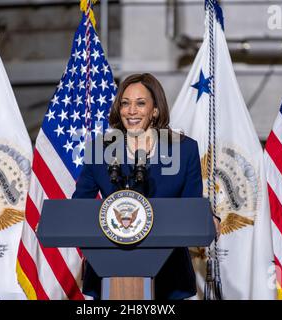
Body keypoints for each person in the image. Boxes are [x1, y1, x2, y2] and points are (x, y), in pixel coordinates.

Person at [72, 73, 219, 300]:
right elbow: (79, 206)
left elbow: (192, 206)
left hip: (169, 277)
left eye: (140, 103)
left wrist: (206, 217)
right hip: (108, 272)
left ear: (155, 110)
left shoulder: (184, 150)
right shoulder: (99, 149)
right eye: (125, 103)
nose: (131, 111)